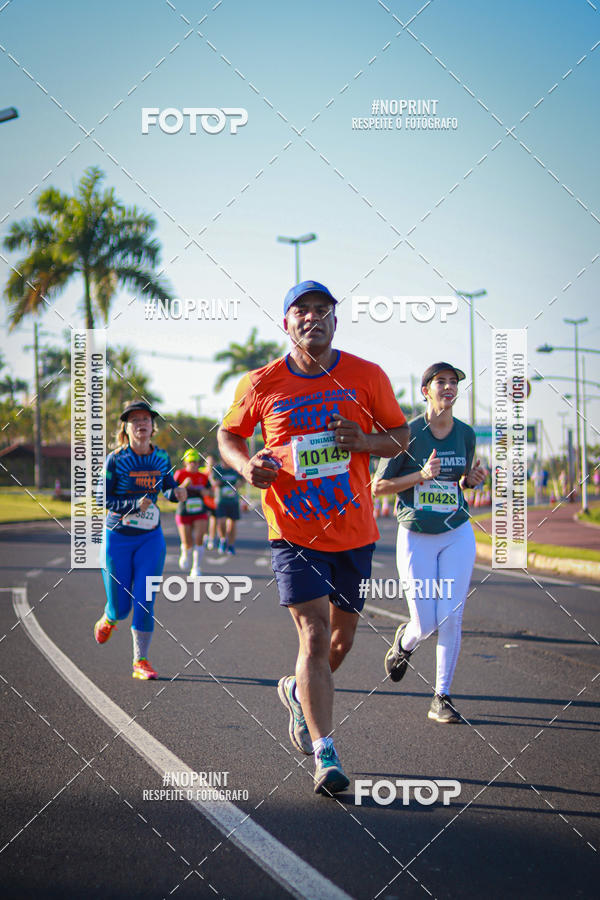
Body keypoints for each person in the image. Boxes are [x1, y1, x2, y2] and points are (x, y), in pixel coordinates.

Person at [217, 280, 408, 795]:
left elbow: (400, 435)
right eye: (302, 311)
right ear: (286, 322)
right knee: (315, 636)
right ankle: (326, 755)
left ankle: (296, 693)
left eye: (323, 311)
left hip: (354, 530)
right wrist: (246, 464)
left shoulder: (367, 376)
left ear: (335, 322)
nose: (312, 319)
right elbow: (229, 434)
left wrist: (365, 441)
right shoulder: (261, 382)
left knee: (342, 641)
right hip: (293, 530)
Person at [373, 363, 487, 723]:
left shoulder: (466, 434)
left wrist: (472, 480)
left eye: (454, 382)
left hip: (456, 532)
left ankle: (442, 697)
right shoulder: (406, 434)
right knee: (425, 624)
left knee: (451, 615)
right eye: (442, 382)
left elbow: (462, 480)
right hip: (416, 535)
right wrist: (419, 476)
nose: (449, 387)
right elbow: (378, 487)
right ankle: (405, 643)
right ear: (426, 390)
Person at [94, 401, 186, 679]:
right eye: (135, 420)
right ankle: (110, 617)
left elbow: (167, 488)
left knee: (146, 598)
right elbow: (102, 499)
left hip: (150, 539)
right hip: (118, 538)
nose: (141, 424)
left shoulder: (161, 458)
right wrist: (134, 504)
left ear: (152, 426)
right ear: (127, 427)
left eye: (145, 419)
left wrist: (177, 494)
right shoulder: (115, 459)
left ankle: (140, 660)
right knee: (121, 608)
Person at [174, 448, 211, 576]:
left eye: (195, 462)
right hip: (184, 511)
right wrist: (184, 485)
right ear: (185, 463)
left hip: (199, 510)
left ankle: (196, 567)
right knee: (187, 541)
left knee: (199, 538)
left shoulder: (203, 476)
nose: (193, 464)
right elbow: (173, 493)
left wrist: (205, 492)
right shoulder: (180, 474)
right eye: (191, 462)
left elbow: (209, 491)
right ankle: (185, 551)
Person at [212, 458, 243, 554]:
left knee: (232, 524)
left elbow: (242, 479)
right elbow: (212, 481)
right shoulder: (217, 469)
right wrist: (216, 483)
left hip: (233, 501)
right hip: (221, 501)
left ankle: (231, 545)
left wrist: (239, 484)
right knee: (221, 522)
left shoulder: (235, 468)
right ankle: (222, 540)